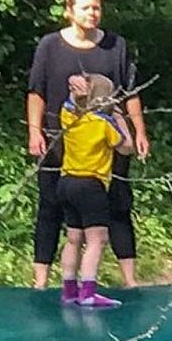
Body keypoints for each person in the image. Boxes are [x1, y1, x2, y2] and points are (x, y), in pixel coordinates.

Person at [26, 0, 148, 291]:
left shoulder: (115, 46)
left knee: (118, 204)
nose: (92, 13)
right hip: (59, 142)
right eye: (85, 8)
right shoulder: (50, 46)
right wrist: (34, 131)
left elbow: (129, 93)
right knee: (50, 207)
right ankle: (41, 282)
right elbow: (36, 92)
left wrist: (139, 131)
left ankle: (130, 280)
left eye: (96, 7)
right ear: (69, 11)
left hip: (107, 142)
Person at [57, 74, 135, 309]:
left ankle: (69, 290)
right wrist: (119, 116)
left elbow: (72, 101)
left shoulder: (68, 115)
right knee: (97, 240)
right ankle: (88, 292)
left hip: (66, 182)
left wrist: (76, 90)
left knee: (73, 239)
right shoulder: (102, 123)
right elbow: (126, 147)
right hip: (90, 185)